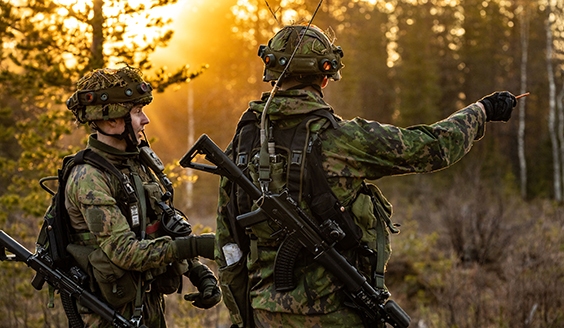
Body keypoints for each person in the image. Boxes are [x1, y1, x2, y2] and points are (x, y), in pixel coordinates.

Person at [215, 25, 517, 328]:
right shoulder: (339, 139)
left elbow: (227, 245)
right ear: (324, 77)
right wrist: (480, 111)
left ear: (273, 73)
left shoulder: (242, 142)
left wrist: (243, 318)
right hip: (334, 316)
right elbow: (431, 147)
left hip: (264, 315)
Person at [64, 65, 221, 327]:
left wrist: (198, 270)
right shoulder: (89, 177)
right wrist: (197, 246)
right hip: (108, 316)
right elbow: (126, 252)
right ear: (113, 119)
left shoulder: (135, 163)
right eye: (137, 112)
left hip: (147, 309)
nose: (146, 120)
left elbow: (162, 225)